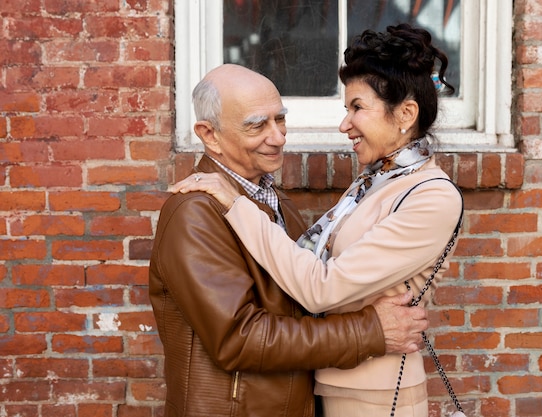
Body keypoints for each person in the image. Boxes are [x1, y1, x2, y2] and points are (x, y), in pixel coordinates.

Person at [170, 24, 464, 417]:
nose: (345, 124)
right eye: (258, 124)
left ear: (405, 114)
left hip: (376, 393)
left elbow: (321, 288)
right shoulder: (374, 182)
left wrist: (235, 202)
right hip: (330, 381)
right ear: (211, 135)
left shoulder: (431, 196)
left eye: (357, 107)